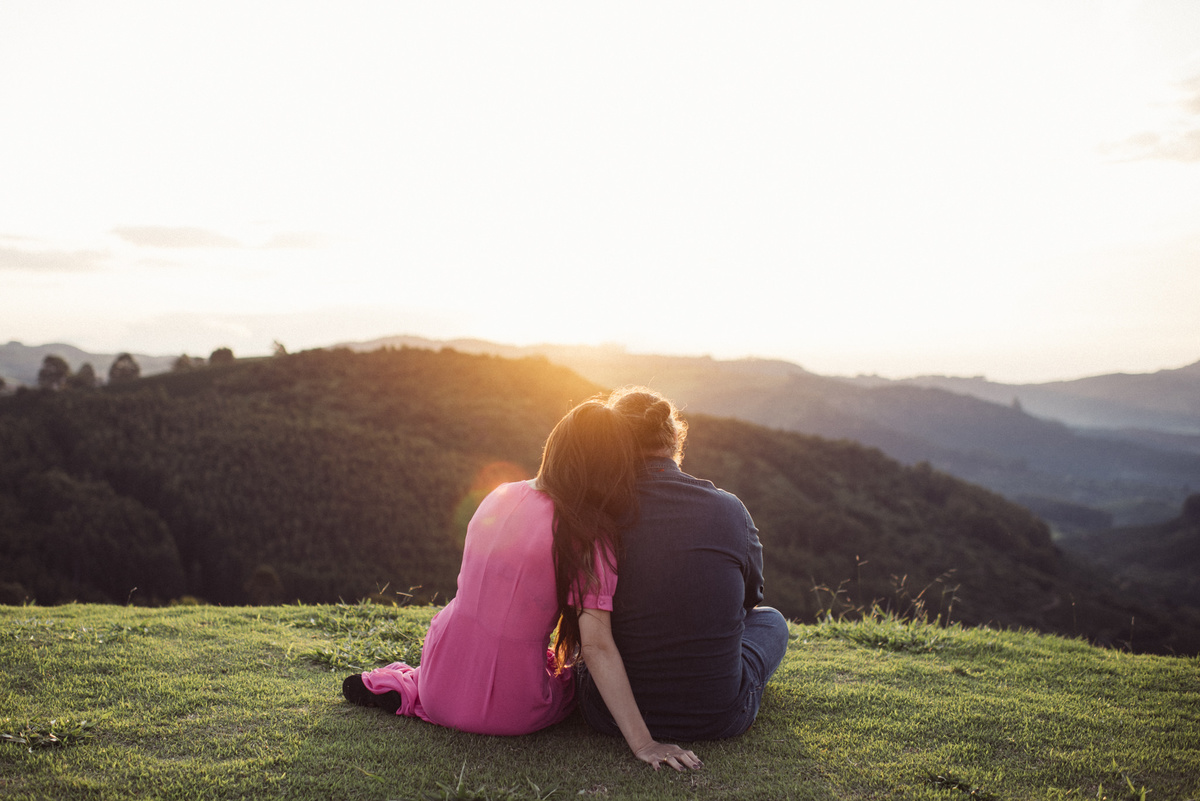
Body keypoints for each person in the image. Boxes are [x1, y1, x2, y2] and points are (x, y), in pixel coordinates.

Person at [342, 399, 701, 771]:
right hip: (510, 711)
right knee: (570, 679)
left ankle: (406, 687)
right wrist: (645, 743)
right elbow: (597, 646)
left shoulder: (499, 495)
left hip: (437, 679)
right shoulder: (587, 535)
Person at [577, 387, 790, 741]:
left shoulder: (597, 513)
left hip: (607, 715)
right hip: (718, 718)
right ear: (675, 438)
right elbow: (751, 598)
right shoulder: (730, 509)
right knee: (771, 621)